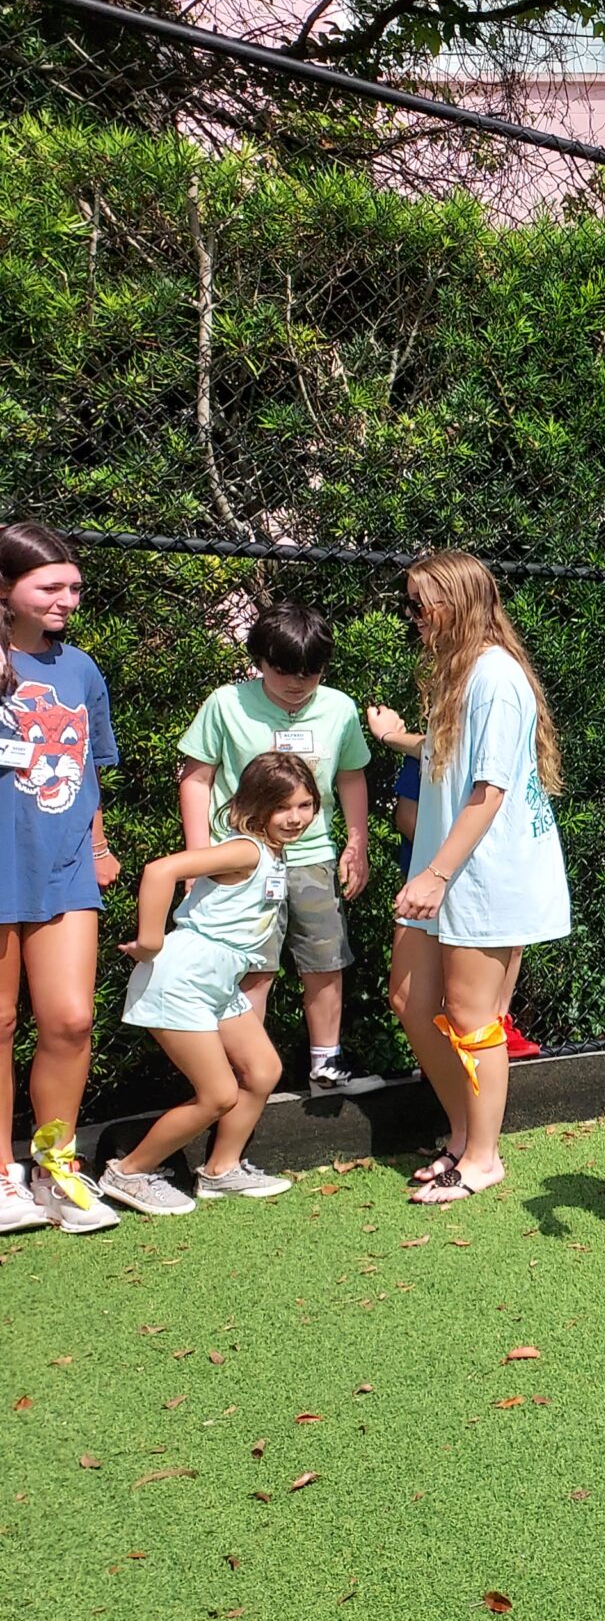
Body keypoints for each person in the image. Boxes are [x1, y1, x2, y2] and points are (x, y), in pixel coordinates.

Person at [369, 550, 572, 1206]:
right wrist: (398, 738)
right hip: (451, 869)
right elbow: (448, 751)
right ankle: (463, 1135)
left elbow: (489, 790)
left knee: (470, 1014)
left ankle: (483, 1158)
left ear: (456, 603)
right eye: (410, 603)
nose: (413, 615)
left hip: (482, 874)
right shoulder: (461, 673)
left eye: (421, 603)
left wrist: (434, 874)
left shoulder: (494, 676)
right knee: (410, 999)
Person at [97, 754, 320, 1213]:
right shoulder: (247, 850)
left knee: (262, 1071)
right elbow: (161, 870)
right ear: (257, 807)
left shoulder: (273, 853)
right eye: (282, 807)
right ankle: (129, 1172)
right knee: (218, 1094)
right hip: (183, 977)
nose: (295, 818)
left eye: (305, 805)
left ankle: (221, 1169)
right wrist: (151, 941)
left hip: (217, 980)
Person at [175, 603, 372, 1092]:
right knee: (251, 969)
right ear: (260, 660)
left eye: (311, 672)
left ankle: (326, 1064)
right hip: (242, 861)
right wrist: (197, 861)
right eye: (284, 670)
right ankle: (244, 1074)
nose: (297, 683)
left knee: (325, 961)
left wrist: (357, 843)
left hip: (313, 858)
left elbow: (351, 776)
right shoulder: (226, 704)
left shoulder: (339, 708)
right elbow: (196, 778)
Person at [0, 523, 123, 1237]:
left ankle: (55, 1170)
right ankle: (2, 1176)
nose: (67, 600)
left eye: (74, 587)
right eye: (49, 586)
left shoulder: (79, 668)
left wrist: (99, 845)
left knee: (71, 1020)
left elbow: (88, 769)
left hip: (66, 862)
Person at [386, 750, 542, 1065]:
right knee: (438, 985)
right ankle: (449, 1054)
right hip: (438, 878)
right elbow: (406, 815)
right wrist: (447, 859)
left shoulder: (505, 749)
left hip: (488, 873)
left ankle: (497, 1022)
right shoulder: (431, 749)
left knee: (509, 947)